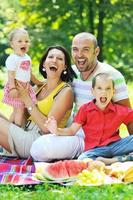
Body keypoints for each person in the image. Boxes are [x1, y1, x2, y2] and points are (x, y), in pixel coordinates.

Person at [0, 45, 77, 158]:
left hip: (38, 140)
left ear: (64, 67)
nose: (54, 60)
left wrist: (26, 98)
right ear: (44, 64)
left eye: (60, 58)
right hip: (23, 130)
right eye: (50, 57)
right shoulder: (38, 87)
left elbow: (47, 128)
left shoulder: (65, 91)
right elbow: (20, 113)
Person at [43, 73, 133, 164]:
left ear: (113, 91)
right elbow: (71, 131)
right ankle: (121, 159)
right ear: (93, 91)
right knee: (82, 159)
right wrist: (56, 130)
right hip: (96, 150)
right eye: (99, 88)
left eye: (108, 88)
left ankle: (113, 160)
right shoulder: (85, 110)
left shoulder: (119, 110)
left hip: (116, 146)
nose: (104, 92)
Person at [71, 32, 133, 133]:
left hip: (101, 140)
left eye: (85, 49)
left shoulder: (111, 75)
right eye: (75, 49)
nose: (79, 54)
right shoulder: (71, 73)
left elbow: (129, 117)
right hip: (74, 133)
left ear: (96, 51)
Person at [2, 28, 42, 127]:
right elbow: (11, 75)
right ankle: (17, 130)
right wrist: (12, 88)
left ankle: (8, 130)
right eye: (19, 41)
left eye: (26, 41)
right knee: (19, 111)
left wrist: (37, 82)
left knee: (17, 111)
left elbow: (29, 73)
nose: (23, 43)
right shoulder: (13, 58)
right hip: (17, 87)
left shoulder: (27, 57)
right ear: (12, 44)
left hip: (25, 87)